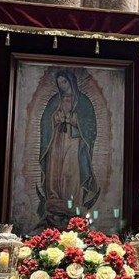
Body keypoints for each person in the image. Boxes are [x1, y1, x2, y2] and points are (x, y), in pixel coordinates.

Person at [38, 70, 100, 227]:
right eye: (59, 83)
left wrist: (74, 120)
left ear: (71, 82)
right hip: (56, 141)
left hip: (74, 141)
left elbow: (90, 125)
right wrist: (55, 118)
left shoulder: (83, 102)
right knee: (55, 170)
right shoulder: (55, 100)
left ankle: (73, 203)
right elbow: (45, 121)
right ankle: (54, 200)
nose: (62, 86)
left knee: (71, 171)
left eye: (64, 82)